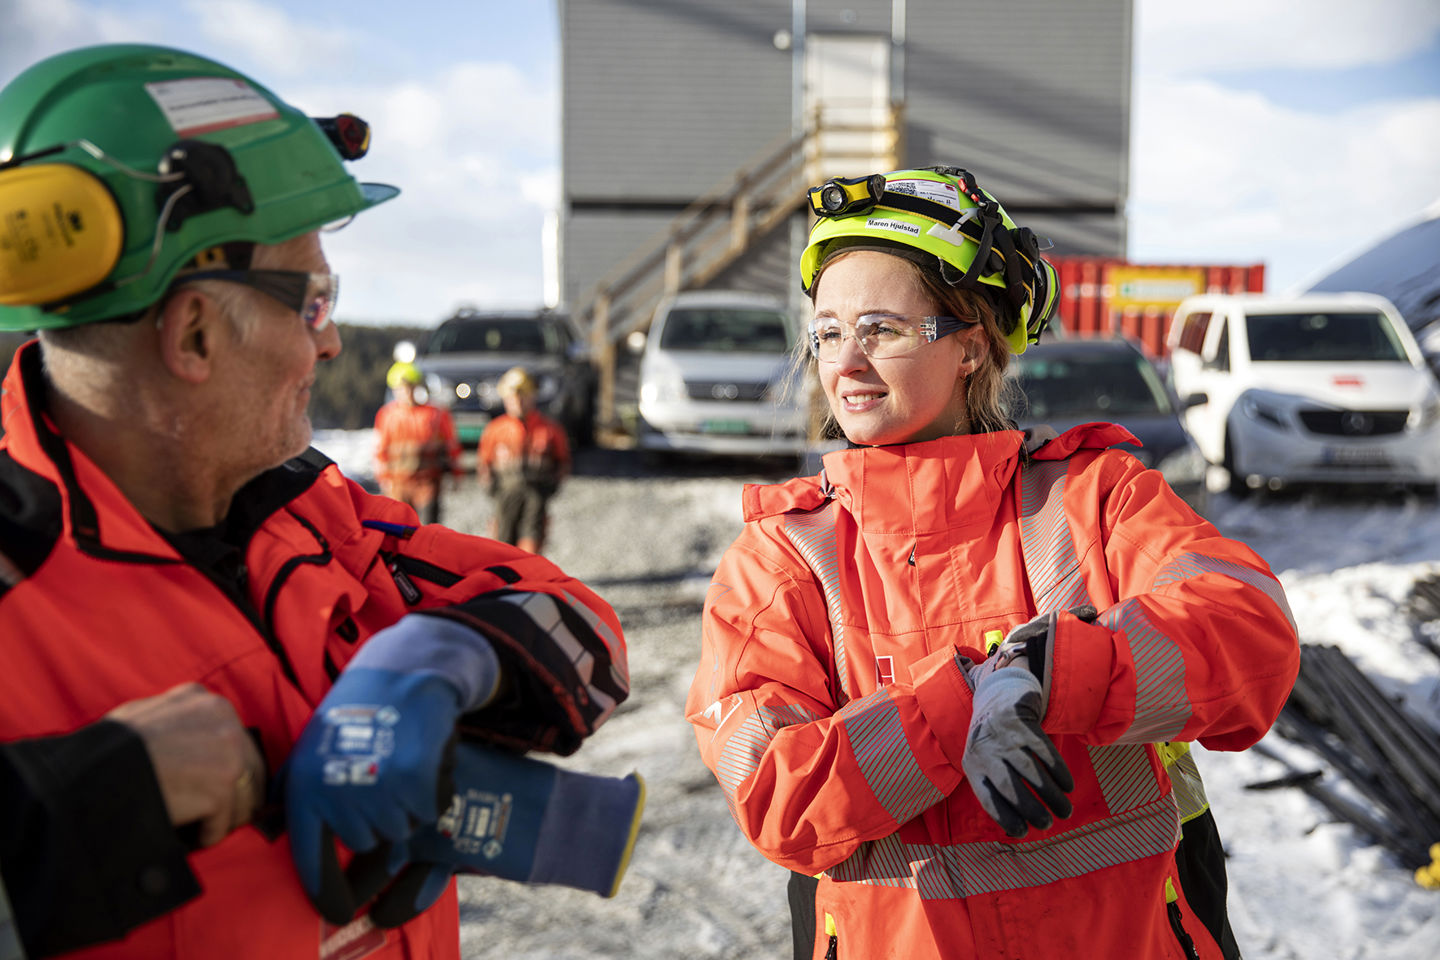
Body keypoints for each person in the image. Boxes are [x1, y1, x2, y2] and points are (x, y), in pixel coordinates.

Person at [0, 43, 627, 960]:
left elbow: (585, 627)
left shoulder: (319, 519)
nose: (327, 349)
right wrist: (86, 808)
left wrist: (445, 654)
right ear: (197, 333)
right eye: (314, 304)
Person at [685, 166, 1300, 960]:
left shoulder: (1093, 497)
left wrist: (1057, 669)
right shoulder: (783, 557)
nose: (845, 363)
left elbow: (1251, 631)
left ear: (971, 345)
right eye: (829, 332)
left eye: (882, 329)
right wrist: (967, 698)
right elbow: (778, 796)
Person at [477, 366, 571, 554]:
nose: (518, 402)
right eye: (512, 397)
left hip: (536, 496)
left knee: (531, 548)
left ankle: (528, 582)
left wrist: (551, 488)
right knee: (502, 548)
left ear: (533, 396)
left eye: (523, 396)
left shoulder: (550, 429)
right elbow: (485, 464)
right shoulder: (496, 429)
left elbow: (562, 462)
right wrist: (491, 489)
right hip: (505, 496)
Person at [374, 359, 463, 524]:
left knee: (428, 533)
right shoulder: (387, 415)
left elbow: (451, 446)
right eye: (400, 388)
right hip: (398, 485)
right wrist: (383, 477)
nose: (406, 393)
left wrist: (456, 474)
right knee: (399, 533)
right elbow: (380, 449)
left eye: (410, 387)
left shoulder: (436, 415)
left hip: (427, 484)